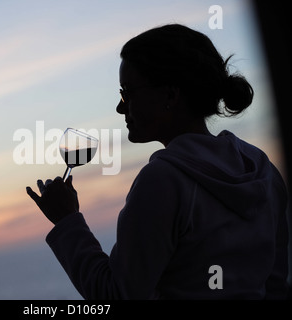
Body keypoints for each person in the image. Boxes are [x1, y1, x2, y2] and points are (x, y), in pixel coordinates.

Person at [26, 24, 289, 299]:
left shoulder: (163, 181)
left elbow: (116, 294)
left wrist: (67, 221)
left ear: (170, 96)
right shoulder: (263, 171)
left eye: (128, 92)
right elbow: (276, 284)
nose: (120, 107)